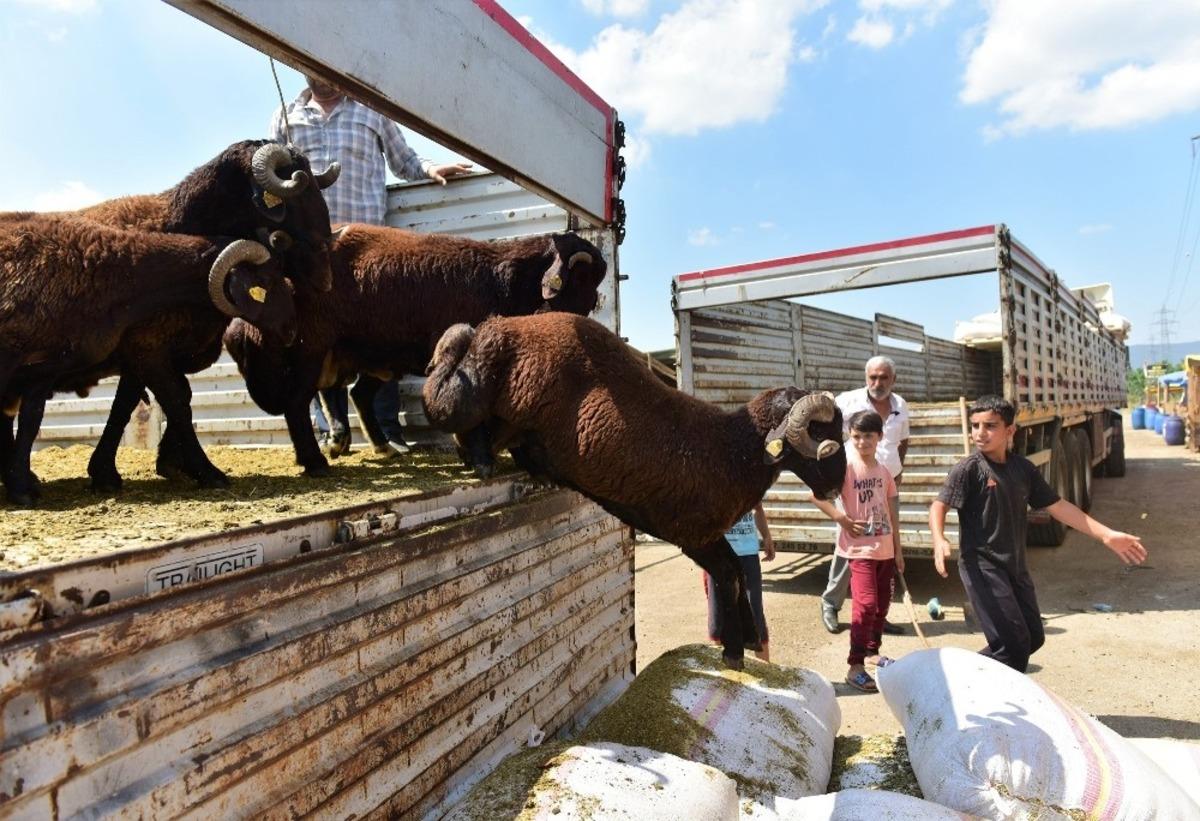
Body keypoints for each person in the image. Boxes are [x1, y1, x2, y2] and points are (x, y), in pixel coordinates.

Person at [271, 73, 472, 455]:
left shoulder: (371, 108)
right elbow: (273, 178)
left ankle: (386, 431)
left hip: (368, 251)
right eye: (312, 69)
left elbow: (404, 160)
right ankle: (334, 431)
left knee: (384, 335)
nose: (322, 78)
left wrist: (431, 170)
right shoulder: (285, 116)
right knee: (319, 335)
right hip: (314, 252)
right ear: (300, 66)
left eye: (327, 69)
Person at [929, 395, 1147, 673]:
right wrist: (939, 539)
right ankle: (997, 709)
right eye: (975, 426)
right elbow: (939, 505)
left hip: (1015, 567)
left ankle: (961, 673)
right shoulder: (969, 469)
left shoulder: (1023, 469)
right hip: (982, 566)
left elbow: (1058, 506)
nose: (980, 433)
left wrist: (1106, 535)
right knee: (1013, 648)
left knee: (1032, 637)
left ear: (1010, 431)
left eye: (990, 426)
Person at [811, 411, 903, 692]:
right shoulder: (845, 468)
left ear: (880, 437)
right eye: (856, 436)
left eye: (868, 436)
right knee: (865, 606)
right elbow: (816, 495)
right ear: (849, 437)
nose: (862, 442)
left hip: (885, 550)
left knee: (882, 605)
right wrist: (841, 519)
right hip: (858, 551)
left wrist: (898, 551)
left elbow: (892, 512)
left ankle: (873, 652)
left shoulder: (884, 471)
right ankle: (855, 666)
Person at [820, 355, 909, 635]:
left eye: (883, 377)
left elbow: (903, 442)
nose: (877, 383)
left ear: (893, 380)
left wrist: (896, 472)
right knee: (850, 541)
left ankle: (879, 613)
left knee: (884, 543)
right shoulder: (847, 401)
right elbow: (825, 427)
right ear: (866, 377)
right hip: (851, 481)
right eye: (872, 377)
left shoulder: (901, 406)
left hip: (885, 482)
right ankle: (831, 604)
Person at [704, 502, 775, 662]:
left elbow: (758, 508)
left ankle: (766, 669)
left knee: (754, 613)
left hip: (748, 555)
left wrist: (766, 536)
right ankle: (721, 674)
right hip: (718, 555)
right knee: (719, 615)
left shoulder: (752, 478)